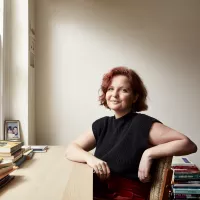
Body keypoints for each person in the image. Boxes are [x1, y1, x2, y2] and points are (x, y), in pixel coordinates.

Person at [65, 66, 197, 200]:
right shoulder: (102, 124)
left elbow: (188, 144)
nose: (115, 94)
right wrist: (91, 159)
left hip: (127, 194)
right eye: (111, 89)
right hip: (98, 190)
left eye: (124, 90)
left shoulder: (142, 123)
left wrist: (149, 154)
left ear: (135, 97)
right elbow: (71, 149)